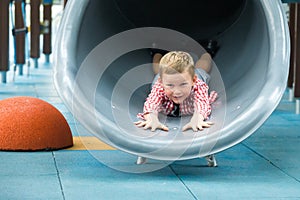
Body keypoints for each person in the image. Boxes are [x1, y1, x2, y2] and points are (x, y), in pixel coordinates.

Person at [135, 51, 217, 132]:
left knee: (201, 69)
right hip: (166, 79)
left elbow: (201, 103)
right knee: (158, 72)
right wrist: (152, 119)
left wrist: (197, 118)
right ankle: (157, 53)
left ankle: (206, 53)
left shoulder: (198, 85)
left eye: (183, 84)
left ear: (193, 80)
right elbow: (152, 103)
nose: (177, 91)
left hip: (189, 77)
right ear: (161, 83)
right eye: (171, 85)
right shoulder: (160, 87)